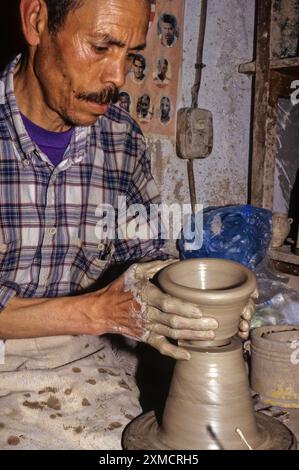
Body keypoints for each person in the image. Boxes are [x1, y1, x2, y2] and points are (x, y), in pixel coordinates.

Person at [0, 0, 253, 450]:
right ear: (36, 20)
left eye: (131, 55)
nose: (118, 77)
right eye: (101, 47)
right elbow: (106, 311)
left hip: (88, 358)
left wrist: (200, 304)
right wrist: (97, 311)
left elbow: (149, 258)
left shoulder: (120, 136)